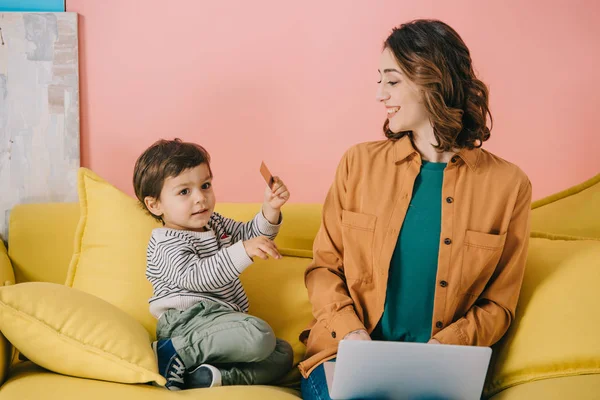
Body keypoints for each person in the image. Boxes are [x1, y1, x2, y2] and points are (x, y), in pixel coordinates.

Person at [299, 19, 532, 399]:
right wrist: (353, 334)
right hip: (343, 356)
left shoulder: (509, 185)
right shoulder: (357, 164)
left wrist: (441, 350)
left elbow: (499, 304)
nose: (379, 95)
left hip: (442, 371)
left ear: (432, 81)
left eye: (391, 81)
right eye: (379, 81)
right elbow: (323, 268)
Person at [133, 138, 293, 390]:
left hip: (220, 322)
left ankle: (209, 377)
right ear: (155, 205)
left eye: (205, 185)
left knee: (282, 353)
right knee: (258, 334)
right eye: (184, 192)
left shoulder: (214, 222)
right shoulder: (165, 241)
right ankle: (173, 350)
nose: (201, 198)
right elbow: (198, 277)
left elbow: (251, 237)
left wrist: (270, 209)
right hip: (187, 323)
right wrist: (243, 251)